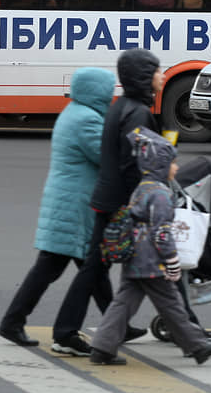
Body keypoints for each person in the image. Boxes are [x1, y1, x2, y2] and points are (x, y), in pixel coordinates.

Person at [48, 48, 165, 357]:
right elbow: (136, 162)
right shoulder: (137, 112)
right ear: (143, 77)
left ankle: (87, 329)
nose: (162, 76)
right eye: (157, 71)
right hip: (118, 204)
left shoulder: (122, 106)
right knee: (98, 268)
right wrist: (143, 200)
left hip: (108, 199)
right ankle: (65, 332)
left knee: (96, 268)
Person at [0, 67, 116, 347]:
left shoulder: (75, 112)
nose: (111, 96)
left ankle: (116, 321)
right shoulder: (86, 119)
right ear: (96, 91)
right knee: (62, 267)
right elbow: (104, 155)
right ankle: (12, 323)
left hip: (69, 201)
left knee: (92, 268)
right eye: (108, 90)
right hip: (74, 205)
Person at [89, 128, 211, 365]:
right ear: (160, 165)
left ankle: (102, 346)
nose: (176, 167)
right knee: (171, 304)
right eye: (173, 163)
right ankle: (197, 346)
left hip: (134, 255)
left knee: (123, 303)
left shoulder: (141, 188)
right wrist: (173, 263)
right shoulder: (162, 195)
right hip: (151, 260)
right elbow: (162, 234)